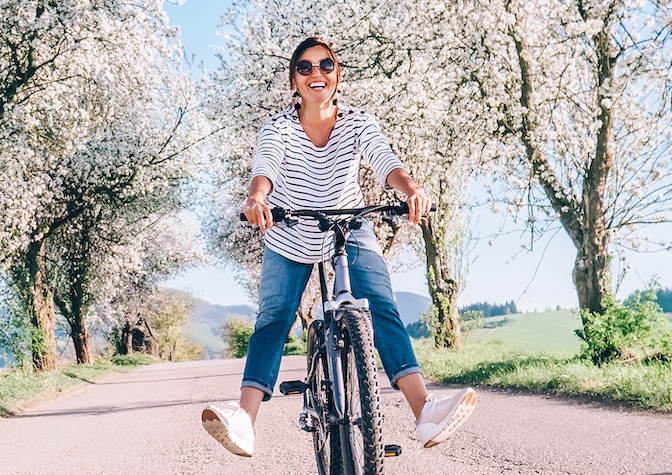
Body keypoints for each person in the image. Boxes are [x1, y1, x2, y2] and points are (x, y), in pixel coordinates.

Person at [201, 37, 477, 458]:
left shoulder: (357, 123)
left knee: (380, 305)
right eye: (306, 68)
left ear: (337, 75)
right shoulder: (278, 127)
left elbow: (385, 162)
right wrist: (257, 199)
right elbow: (265, 169)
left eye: (325, 65)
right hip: (290, 230)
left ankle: (426, 412)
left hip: (347, 227)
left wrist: (411, 189)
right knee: (273, 319)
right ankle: (245, 421)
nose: (317, 74)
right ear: (294, 80)